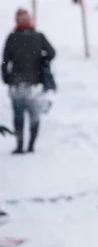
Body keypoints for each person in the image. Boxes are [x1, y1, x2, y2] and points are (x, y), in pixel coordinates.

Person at [2, 9, 56, 154]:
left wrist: (6, 78)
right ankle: (31, 145)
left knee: (18, 117)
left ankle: (20, 146)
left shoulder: (12, 38)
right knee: (34, 116)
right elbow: (51, 53)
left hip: (17, 85)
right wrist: (42, 61)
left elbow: (5, 61)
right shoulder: (39, 37)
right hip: (35, 84)